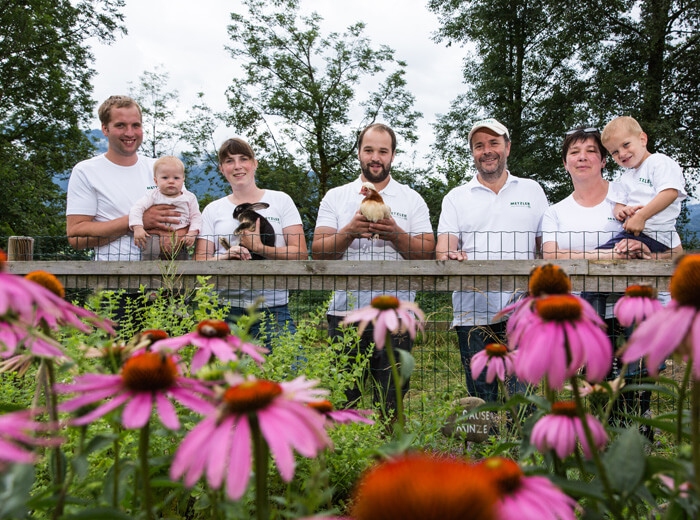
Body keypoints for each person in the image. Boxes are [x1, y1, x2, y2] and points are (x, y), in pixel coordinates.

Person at [311, 123, 435, 412]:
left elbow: (428, 253)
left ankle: (387, 454)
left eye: (383, 151)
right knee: (344, 401)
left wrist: (395, 234)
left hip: (397, 316)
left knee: (391, 403)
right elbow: (318, 252)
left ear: (392, 156)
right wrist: (349, 232)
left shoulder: (411, 199)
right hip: (345, 313)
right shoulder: (337, 197)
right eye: (369, 150)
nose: (375, 157)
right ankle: (348, 455)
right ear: (358, 153)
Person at [436, 118, 548, 403]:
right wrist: (450, 255)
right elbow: (443, 249)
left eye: (494, 143)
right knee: (482, 399)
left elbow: (545, 249)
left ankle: (522, 446)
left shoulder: (532, 190)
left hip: (523, 311)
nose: (487, 150)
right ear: (473, 153)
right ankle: (485, 448)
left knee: (522, 396)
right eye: (479, 146)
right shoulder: (456, 197)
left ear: (507, 148)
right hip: (473, 313)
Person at [194, 138, 306, 346]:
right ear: (221, 169)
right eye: (229, 161)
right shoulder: (212, 209)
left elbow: (300, 253)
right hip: (225, 309)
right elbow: (200, 263)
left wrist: (259, 248)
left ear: (255, 163)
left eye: (243, 159)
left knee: (289, 370)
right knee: (223, 376)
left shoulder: (281, 201)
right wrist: (226, 256)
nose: (237, 166)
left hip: (273, 308)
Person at [66, 95, 180, 260]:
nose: (129, 133)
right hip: (111, 279)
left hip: (164, 278)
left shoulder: (162, 168)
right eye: (120, 125)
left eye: (135, 125)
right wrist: (137, 221)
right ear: (105, 129)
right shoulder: (86, 171)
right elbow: (76, 237)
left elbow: (185, 219)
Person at [599, 116, 687, 254]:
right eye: (614, 152)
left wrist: (641, 217)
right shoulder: (625, 177)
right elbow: (619, 205)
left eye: (626, 144)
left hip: (654, 235)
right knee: (599, 255)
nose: (622, 153)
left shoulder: (659, 162)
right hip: (632, 233)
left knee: (601, 257)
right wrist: (622, 212)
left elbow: (670, 193)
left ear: (642, 140)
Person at [129, 156, 202, 260]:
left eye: (176, 178)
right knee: (150, 250)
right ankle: (148, 272)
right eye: (165, 178)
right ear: (156, 181)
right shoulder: (153, 195)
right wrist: (138, 227)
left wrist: (192, 233)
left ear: (183, 180)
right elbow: (137, 209)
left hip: (180, 235)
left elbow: (196, 217)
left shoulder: (189, 198)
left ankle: (181, 275)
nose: (171, 181)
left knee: (181, 259)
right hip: (154, 235)